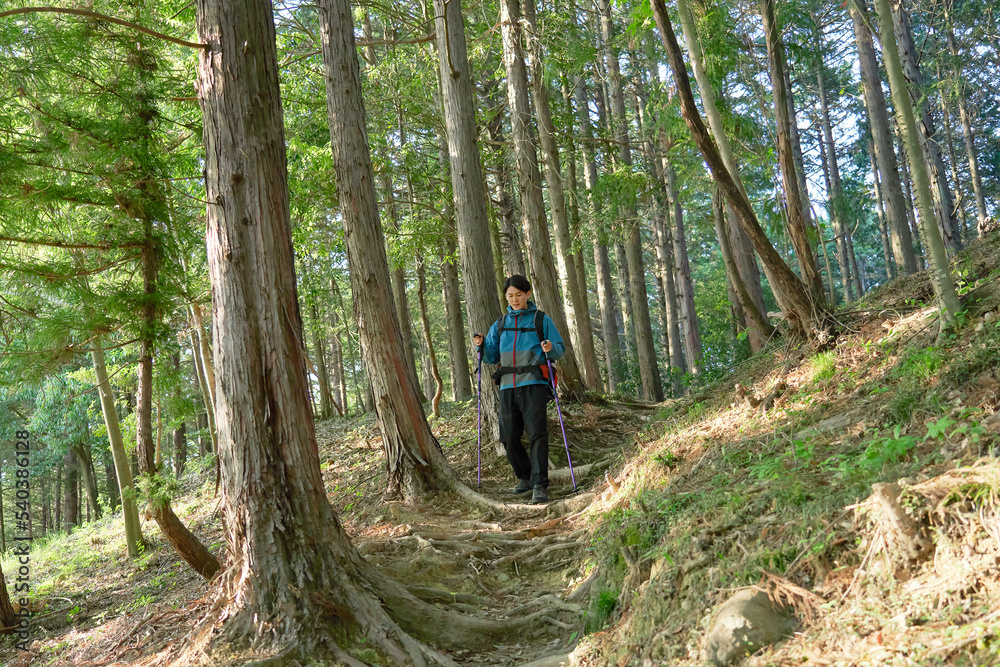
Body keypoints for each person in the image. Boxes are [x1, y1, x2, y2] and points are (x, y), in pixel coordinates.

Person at [473, 275, 565, 504]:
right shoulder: (500, 324)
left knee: (537, 434)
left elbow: (560, 349)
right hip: (507, 386)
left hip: (533, 383)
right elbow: (491, 356)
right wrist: (482, 345)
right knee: (508, 437)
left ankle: (539, 485)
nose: (514, 299)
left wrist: (550, 347)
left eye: (518, 295)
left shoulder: (540, 320)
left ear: (527, 295)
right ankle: (524, 477)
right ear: (506, 297)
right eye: (510, 295)